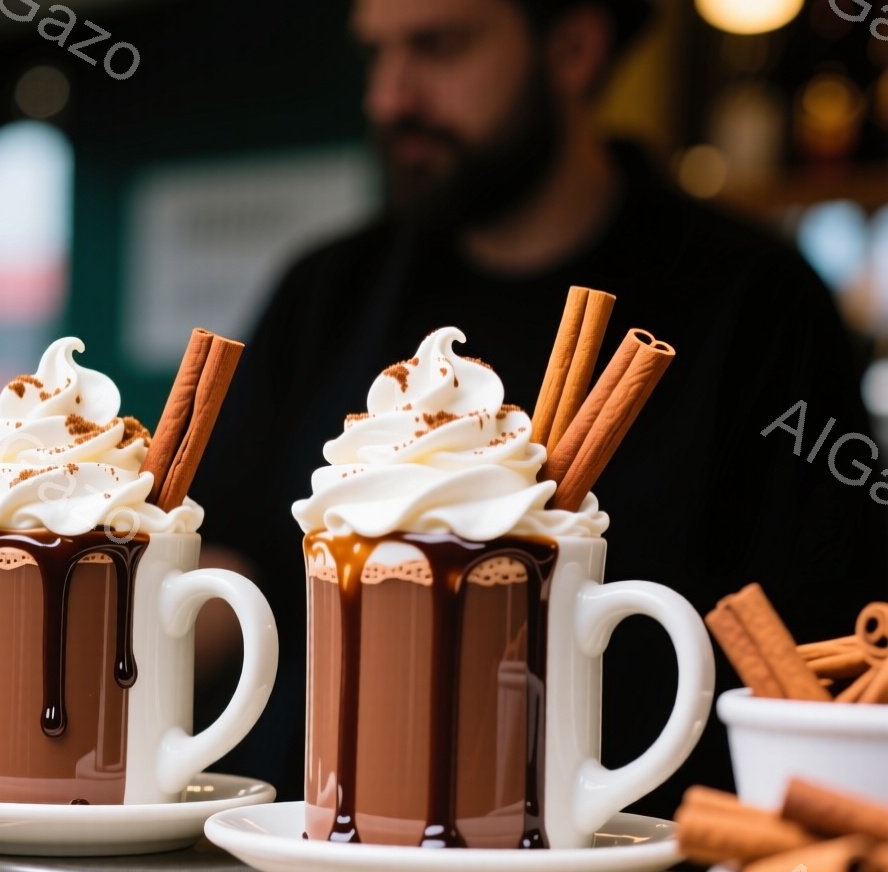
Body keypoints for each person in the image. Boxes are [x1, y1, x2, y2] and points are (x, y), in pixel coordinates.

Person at [193, 0, 887, 817]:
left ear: (573, 47)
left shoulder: (756, 303)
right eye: (376, 55)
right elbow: (231, 566)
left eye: (437, 47)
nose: (389, 96)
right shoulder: (327, 292)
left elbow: (820, 648)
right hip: (334, 853)